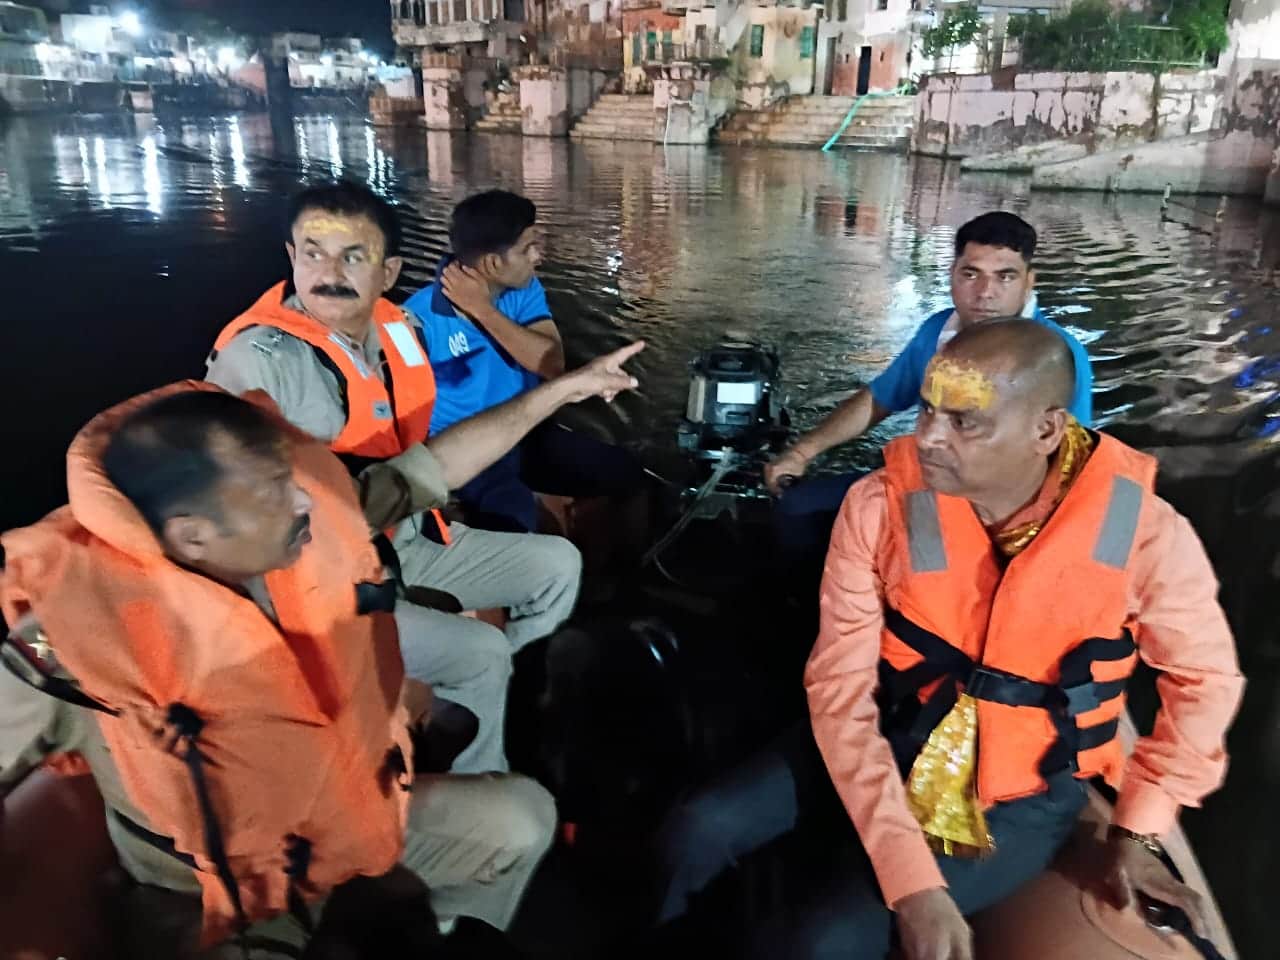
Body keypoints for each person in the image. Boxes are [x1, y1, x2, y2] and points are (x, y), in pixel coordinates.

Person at [651, 319, 1243, 960]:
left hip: (1021, 793)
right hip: (890, 731)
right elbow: (839, 692)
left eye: (965, 422)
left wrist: (1140, 830)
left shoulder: (1147, 535)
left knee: (820, 939)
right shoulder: (877, 506)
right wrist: (912, 881)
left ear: (1047, 429)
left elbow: (1204, 681)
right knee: (696, 828)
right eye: (928, 410)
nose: (927, 438)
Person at [0, 385, 561, 958]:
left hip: (352, 826)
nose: (304, 500)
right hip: (225, 901)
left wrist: (559, 392)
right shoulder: (71, 637)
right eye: (273, 491)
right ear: (194, 534)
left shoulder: (304, 536)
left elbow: (427, 469)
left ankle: (431, 931)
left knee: (523, 818)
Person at [206, 180, 643, 774]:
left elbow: (427, 458)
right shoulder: (259, 366)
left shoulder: (394, 336)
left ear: (387, 272)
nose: (329, 272)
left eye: (352, 256)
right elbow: (231, 517)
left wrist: (568, 386)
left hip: (408, 528)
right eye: (313, 252)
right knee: (482, 635)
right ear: (290, 257)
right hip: (323, 580)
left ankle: (511, 676)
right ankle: (479, 783)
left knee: (561, 562)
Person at [763, 212, 1094, 580]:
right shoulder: (938, 331)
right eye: (971, 274)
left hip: (998, 508)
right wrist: (801, 452)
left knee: (921, 567)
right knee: (797, 509)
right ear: (952, 273)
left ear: (1029, 282)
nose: (985, 293)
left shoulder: (1060, 356)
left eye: (1005, 276)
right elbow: (880, 397)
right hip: (926, 481)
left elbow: (1071, 466)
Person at [402, 189, 648, 535]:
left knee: (628, 473)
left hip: (529, 430)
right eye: (527, 248)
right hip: (472, 452)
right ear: (491, 263)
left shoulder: (522, 288)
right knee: (517, 523)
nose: (538, 256)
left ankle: (619, 579)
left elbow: (551, 363)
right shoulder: (418, 320)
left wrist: (483, 311)